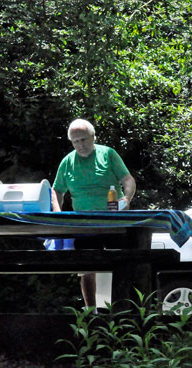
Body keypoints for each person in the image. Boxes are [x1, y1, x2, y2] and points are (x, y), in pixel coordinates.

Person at [51, 119, 136, 309]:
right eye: (75, 141)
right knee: (86, 267)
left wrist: (127, 198)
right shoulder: (67, 162)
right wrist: (58, 214)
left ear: (93, 137)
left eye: (83, 140)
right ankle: (91, 312)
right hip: (84, 223)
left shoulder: (108, 154)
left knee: (122, 263)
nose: (80, 145)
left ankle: (123, 310)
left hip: (112, 220)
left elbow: (128, 179)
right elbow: (56, 190)